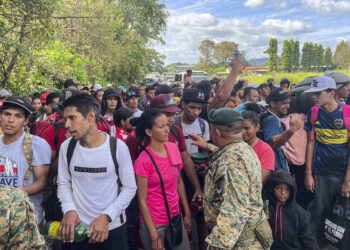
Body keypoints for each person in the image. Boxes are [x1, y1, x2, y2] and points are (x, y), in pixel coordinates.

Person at [58, 94, 137, 249]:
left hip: (112, 229)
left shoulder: (117, 147)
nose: (66, 124)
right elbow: (63, 184)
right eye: (65, 119)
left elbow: (129, 188)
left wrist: (106, 217)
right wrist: (69, 210)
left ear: (91, 116)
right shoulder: (67, 147)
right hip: (77, 229)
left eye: (72, 118)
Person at [190, 108, 266, 249]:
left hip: (237, 242)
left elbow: (234, 212)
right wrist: (208, 147)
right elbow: (228, 153)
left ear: (217, 132)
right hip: (248, 236)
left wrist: (216, 246)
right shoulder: (244, 149)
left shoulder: (231, 163)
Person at [134, 109, 191, 250]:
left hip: (175, 218)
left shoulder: (173, 148)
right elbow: (142, 201)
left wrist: (187, 212)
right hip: (154, 223)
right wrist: (154, 235)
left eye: (167, 125)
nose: (167, 130)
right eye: (161, 127)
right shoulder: (143, 161)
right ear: (149, 132)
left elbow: (179, 182)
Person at [303, 75, 350, 248]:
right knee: (319, 211)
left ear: (331, 93)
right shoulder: (314, 112)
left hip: (343, 173)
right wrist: (308, 173)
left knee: (342, 214)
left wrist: (347, 180)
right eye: (312, 93)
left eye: (318, 93)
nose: (313, 97)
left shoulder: (346, 113)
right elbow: (311, 142)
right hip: (321, 172)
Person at [0, 96, 51, 224]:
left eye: (18, 116)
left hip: (26, 220)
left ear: (26, 121)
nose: (10, 120)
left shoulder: (37, 145)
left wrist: (11, 194)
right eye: (7, 114)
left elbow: (42, 181)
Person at [266, 170, 313, 250]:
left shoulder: (300, 214)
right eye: (278, 188)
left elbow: (307, 240)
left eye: (287, 189)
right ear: (271, 189)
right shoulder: (267, 208)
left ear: (292, 191)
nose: (283, 192)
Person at [260, 88, 303, 171]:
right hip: (273, 167)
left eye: (288, 103)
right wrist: (292, 130)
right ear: (272, 104)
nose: (288, 106)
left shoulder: (267, 115)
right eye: (284, 103)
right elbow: (273, 142)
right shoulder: (271, 119)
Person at [242, 110, 275, 186]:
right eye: (239, 128)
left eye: (246, 128)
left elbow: (260, 180)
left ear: (257, 127)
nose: (242, 132)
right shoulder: (235, 146)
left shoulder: (265, 150)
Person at [174, 88, 209, 154]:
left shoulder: (203, 124)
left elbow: (204, 149)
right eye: (192, 107)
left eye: (199, 108)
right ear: (183, 104)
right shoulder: (173, 124)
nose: (196, 112)